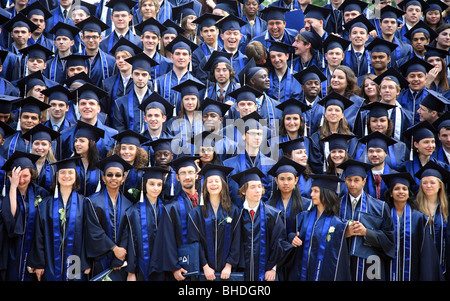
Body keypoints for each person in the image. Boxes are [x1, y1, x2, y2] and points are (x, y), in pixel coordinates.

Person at [28, 156, 90, 281]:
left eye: (70, 172)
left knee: (73, 279)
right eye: (62, 172)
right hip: (50, 259)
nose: (66, 176)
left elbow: (88, 234)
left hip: (75, 259)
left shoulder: (84, 203)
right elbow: (39, 235)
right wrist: (39, 263)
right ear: (57, 176)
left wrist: (85, 262)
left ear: (76, 176)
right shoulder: (45, 204)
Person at [230, 166, 292, 281]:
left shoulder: (273, 215)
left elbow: (279, 243)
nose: (258, 190)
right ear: (243, 191)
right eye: (253, 187)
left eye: (260, 186)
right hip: (242, 272)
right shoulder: (237, 215)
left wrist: (273, 268)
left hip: (266, 273)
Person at [337, 159, 395, 281]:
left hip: (370, 264)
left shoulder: (380, 207)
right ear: (345, 181)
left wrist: (367, 233)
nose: (352, 184)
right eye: (349, 180)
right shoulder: (336, 205)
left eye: (356, 180)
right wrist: (344, 232)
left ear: (364, 181)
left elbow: (389, 240)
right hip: (342, 262)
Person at [381, 171, 444, 281]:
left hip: (413, 272)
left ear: (409, 193)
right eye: (396, 189)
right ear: (391, 193)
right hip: (387, 270)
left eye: (404, 189)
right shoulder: (384, 216)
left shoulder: (419, 218)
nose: (401, 192)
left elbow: (426, 252)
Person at [287, 174, 351, 281]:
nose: (311, 194)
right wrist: (291, 238)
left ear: (326, 193)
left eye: (316, 191)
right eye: (312, 190)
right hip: (300, 274)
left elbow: (340, 262)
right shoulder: (302, 218)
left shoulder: (338, 224)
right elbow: (289, 237)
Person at [187, 164, 242, 281]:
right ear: (205, 186)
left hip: (228, 272)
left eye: (217, 181)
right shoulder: (196, 213)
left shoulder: (234, 210)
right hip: (204, 272)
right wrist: (205, 266)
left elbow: (237, 239)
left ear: (223, 184)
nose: (213, 184)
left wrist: (229, 265)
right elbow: (194, 241)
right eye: (210, 181)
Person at [150, 155, 201, 281]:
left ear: (197, 175)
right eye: (183, 173)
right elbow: (166, 239)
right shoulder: (171, 208)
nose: (187, 177)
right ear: (177, 177)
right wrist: (174, 267)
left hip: (207, 267)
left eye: (190, 172)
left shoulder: (206, 202)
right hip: (183, 269)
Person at [0, 151, 49, 280]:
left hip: (34, 246)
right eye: (18, 176)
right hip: (12, 247)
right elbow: (11, 218)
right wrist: (13, 187)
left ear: (32, 175)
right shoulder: (6, 195)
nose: (21, 180)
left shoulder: (41, 194)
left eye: (25, 176)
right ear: (12, 176)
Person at [84, 154, 134, 280]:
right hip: (100, 259)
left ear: (123, 178)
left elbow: (127, 232)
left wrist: (119, 255)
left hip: (121, 260)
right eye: (109, 175)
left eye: (118, 175)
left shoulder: (129, 204)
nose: (114, 178)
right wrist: (114, 248)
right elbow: (93, 230)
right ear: (103, 178)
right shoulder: (92, 201)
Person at [122, 166, 170, 281]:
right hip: (141, 269)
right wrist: (131, 272)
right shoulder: (133, 212)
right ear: (145, 184)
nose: (156, 188)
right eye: (152, 184)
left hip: (165, 268)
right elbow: (131, 244)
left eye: (159, 184)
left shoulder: (167, 209)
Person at [223, 111, 276, 207]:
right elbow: (229, 195)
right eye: (252, 133)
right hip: (238, 214)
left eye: (259, 134)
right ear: (243, 136)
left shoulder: (270, 164)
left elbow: (271, 194)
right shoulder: (229, 165)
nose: (257, 137)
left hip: (264, 215)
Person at [414, 160, 450, 279]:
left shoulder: (447, 207)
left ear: (440, 185)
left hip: (445, 261)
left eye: (432, 182)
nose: (428, 186)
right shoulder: (414, 207)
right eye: (424, 183)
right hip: (422, 264)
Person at [111, 52, 157, 133]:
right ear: (131, 75)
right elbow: (120, 130)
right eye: (137, 74)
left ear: (149, 77)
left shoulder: (157, 102)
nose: (140, 78)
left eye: (144, 75)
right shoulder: (120, 103)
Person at [400, 121, 449, 194]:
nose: (431, 145)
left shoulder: (443, 167)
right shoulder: (405, 167)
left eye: (432, 142)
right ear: (416, 144)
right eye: (426, 142)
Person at [275, 98, 322, 174]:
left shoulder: (308, 142)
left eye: (295, 118)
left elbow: (316, 169)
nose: (292, 122)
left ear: (301, 120)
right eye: (288, 119)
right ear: (283, 121)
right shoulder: (273, 142)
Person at [101, 37, 142, 119]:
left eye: (124, 57)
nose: (120, 60)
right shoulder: (107, 84)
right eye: (118, 58)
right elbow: (103, 111)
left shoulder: (140, 82)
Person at [167, 79, 205, 157]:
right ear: (182, 101)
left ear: (197, 101)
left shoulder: (204, 121)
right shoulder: (173, 122)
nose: (190, 102)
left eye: (193, 99)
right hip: (180, 162)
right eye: (186, 99)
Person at [108, 130, 149, 202]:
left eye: (131, 148)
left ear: (137, 151)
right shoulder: (110, 169)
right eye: (123, 148)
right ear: (118, 150)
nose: (126, 152)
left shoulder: (142, 174)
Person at [325, 65, 365, 132]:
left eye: (340, 78)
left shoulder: (358, 103)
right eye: (333, 77)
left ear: (348, 82)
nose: (335, 80)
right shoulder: (326, 100)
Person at [22, 124, 60, 192]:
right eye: (36, 143)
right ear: (32, 145)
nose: (40, 148)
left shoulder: (55, 168)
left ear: (50, 147)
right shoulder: (24, 165)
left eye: (44, 144)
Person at [72, 121, 104, 197]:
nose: (77, 144)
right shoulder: (71, 164)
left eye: (82, 141)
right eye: (76, 141)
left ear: (92, 143)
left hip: (94, 206)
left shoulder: (101, 166)